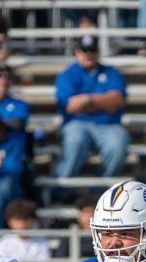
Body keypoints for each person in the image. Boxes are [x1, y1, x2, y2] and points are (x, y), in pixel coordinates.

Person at [54, 35, 130, 187]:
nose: (88, 54)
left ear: (98, 52)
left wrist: (88, 99)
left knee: (118, 143)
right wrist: (104, 102)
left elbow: (118, 101)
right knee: (75, 141)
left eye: (92, 50)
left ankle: (99, 192)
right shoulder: (67, 75)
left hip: (109, 125)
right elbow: (71, 106)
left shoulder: (111, 73)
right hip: (77, 124)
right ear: (76, 52)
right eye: (84, 50)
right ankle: (61, 189)